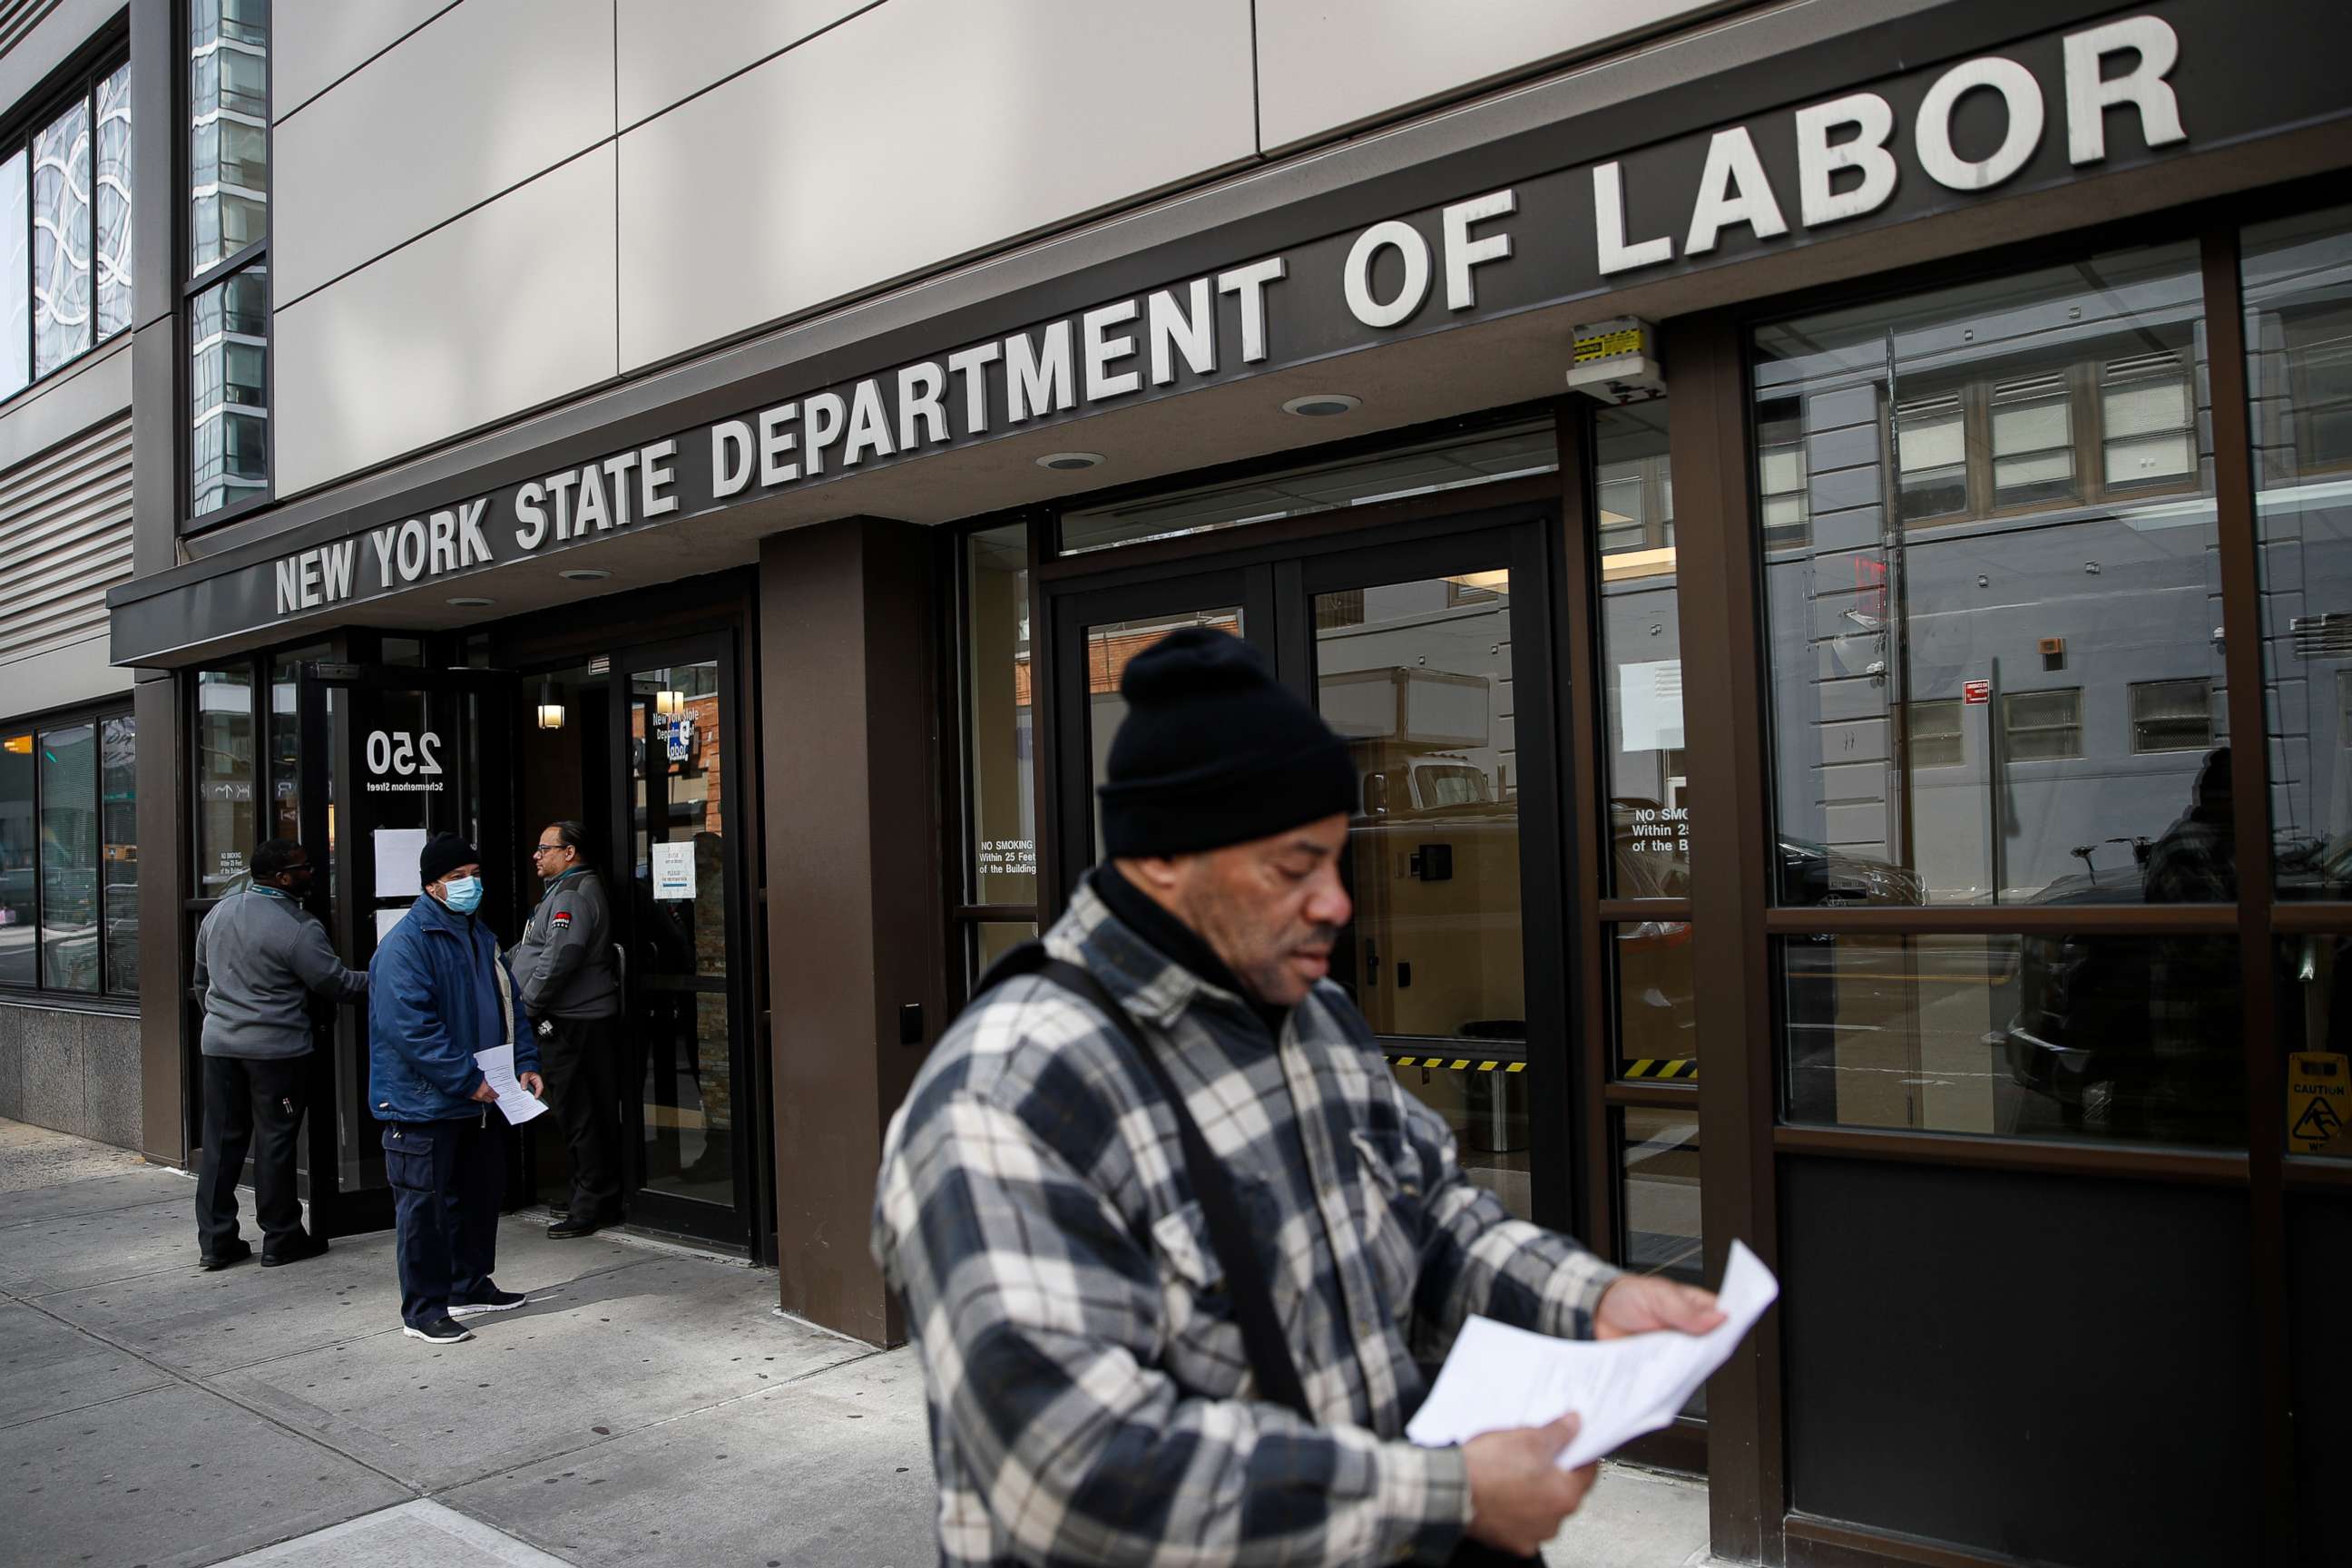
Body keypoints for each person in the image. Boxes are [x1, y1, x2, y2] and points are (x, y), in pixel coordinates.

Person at [872, 628, 1724, 1566]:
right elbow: (1069, 1471)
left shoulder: (1311, 1014)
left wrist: (1592, 1302)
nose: (1337, 902)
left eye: (1336, 860)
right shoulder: (1007, 1095)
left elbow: (1430, 1222)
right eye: (1293, 866)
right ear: (1163, 859)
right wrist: (1448, 1496)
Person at [369, 833, 544, 1344]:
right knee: (423, 1208)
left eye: (474, 873)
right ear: (431, 885)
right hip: (425, 1103)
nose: (471, 884)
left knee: (478, 1196)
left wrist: (525, 1063)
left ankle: (468, 1283)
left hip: (481, 1098)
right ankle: (423, 1310)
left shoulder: (479, 935)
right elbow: (411, 1030)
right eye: (457, 877)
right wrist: (469, 1081)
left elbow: (511, 1007)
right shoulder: (407, 945)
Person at [191, 838, 367, 1270]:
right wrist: (393, 975)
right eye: (306, 867)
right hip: (276, 1053)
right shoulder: (297, 926)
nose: (313, 873)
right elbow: (337, 984)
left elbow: (200, 980)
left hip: (219, 1047)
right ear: (283, 877)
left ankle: (216, 1243)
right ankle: (282, 1236)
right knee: (275, 1142)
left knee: (220, 1143)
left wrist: (224, 1020)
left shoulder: (219, 912)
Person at [508, 820, 623, 1238]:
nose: (537, 856)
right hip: (572, 1019)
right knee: (578, 1111)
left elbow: (560, 957)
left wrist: (528, 1003)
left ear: (569, 852)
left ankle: (593, 1203)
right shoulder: (561, 892)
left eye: (545, 848)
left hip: (574, 1022)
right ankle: (586, 1193)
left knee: (581, 1114)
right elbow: (535, 949)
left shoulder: (573, 895)